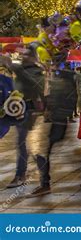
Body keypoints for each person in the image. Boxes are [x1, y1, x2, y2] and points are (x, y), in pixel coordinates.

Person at [0, 48, 45, 189]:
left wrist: (11, 65)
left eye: (27, 54)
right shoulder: (20, 70)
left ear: (33, 57)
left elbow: (32, 83)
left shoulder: (36, 71)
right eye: (23, 54)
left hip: (27, 111)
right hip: (14, 108)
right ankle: (39, 165)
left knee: (21, 143)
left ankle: (21, 175)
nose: (23, 56)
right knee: (22, 144)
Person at [32, 66, 77, 196]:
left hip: (55, 122)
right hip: (59, 122)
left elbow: (50, 100)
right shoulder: (70, 86)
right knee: (50, 151)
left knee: (42, 152)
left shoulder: (60, 85)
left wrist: (48, 111)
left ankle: (45, 184)